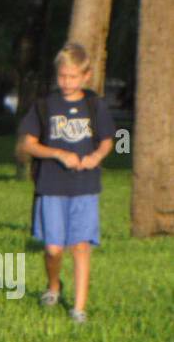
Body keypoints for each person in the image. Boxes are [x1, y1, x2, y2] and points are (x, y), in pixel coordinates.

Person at [16, 42, 116, 324]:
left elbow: (108, 140)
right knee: (53, 249)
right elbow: (28, 144)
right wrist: (58, 153)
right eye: (62, 76)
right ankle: (54, 286)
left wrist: (96, 156)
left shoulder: (95, 106)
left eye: (73, 77)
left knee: (81, 246)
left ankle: (79, 309)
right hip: (51, 186)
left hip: (85, 187)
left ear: (86, 76)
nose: (67, 82)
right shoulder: (45, 106)